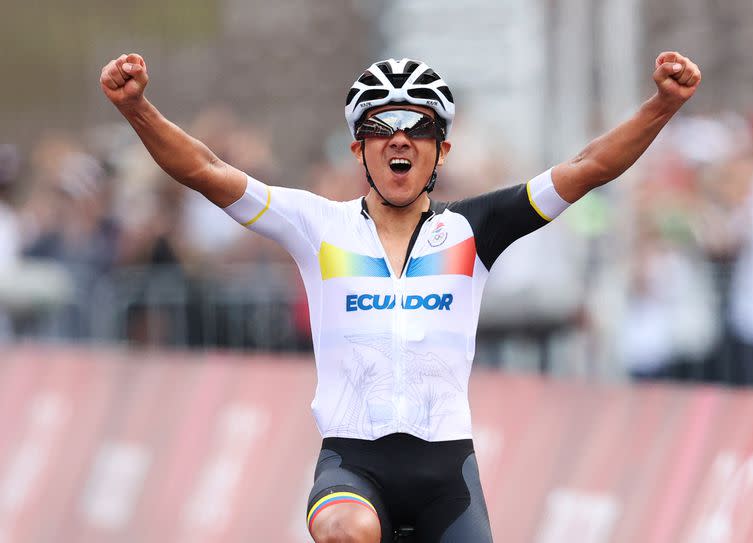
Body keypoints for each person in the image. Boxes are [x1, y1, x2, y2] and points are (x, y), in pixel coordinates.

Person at [100, 51, 701, 542]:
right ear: (358, 149)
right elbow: (205, 170)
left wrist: (663, 104)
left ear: (442, 150)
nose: (401, 140)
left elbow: (589, 166)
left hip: (448, 476)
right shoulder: (315, 225)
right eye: (380, 129)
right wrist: (137, 109)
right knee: (347, 530)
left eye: (420, 129)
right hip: (353, 467)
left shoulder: (472, 230)